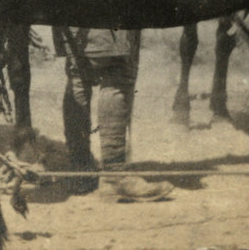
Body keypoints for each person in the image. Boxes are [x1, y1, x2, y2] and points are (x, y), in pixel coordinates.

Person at [56, 27, 174, 201]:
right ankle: (115, 175)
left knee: (78, 75)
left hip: (71, 17)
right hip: (108, 14)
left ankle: (79, 172)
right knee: (117, 73)